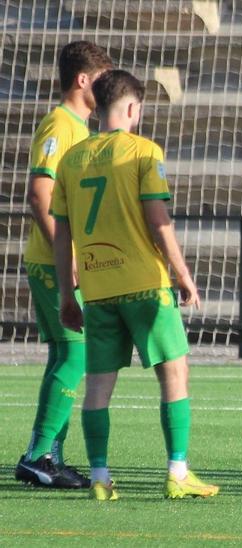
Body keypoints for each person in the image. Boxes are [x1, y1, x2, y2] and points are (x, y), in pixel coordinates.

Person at [51, 69, 217, 501]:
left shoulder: (70, 160)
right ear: (131, 108)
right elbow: (158, 220)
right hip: (144, 284)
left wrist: (67, 295)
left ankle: (100, 478)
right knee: (174, 373)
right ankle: (177, 472)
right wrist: (182, 275)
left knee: (98, 385)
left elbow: (63, 231)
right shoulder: (143, 151)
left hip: (98, 288)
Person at [14, 40, 112, 489]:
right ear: (83, 80)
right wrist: (67, 257)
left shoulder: (80, 128)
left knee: (67, 355)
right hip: (53, 263)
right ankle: (37, 455)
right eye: (103, 80)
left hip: (60, 262)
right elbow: (39, 195)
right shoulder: (60, 124)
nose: (108, 89)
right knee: (74, 353)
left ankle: (47, 453)